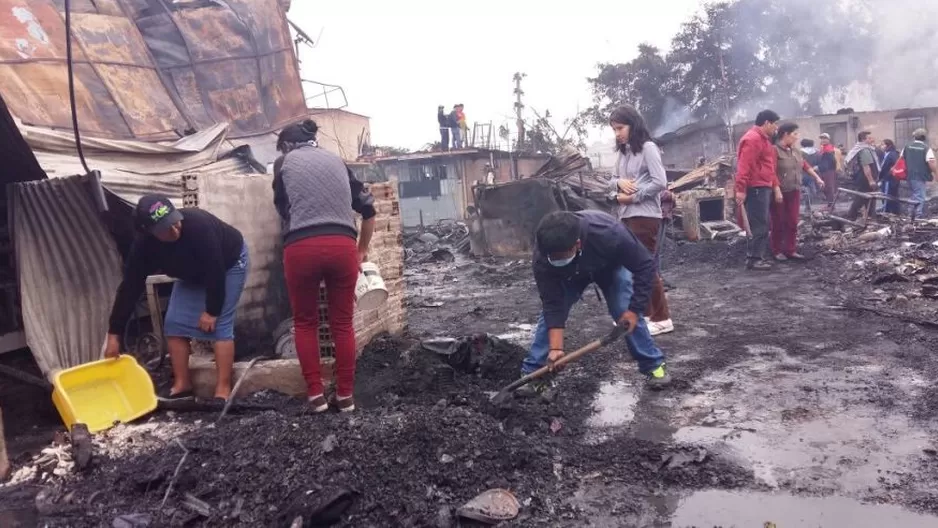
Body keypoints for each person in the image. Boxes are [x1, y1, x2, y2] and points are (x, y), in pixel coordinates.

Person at [273, 119, 376, 413]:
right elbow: (368, 210)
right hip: (343, 245)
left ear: (288, 145)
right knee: (342, 324)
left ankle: (316, 396)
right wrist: (362, 251)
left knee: (306, 323)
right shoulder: (338, 162)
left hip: (302, 247)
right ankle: (345, 397)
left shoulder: (284, 164)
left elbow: (282, 208)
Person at [104, 195, 249, 401]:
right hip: (190, 273)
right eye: (165, 228)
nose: (174, 229)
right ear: (149, 233)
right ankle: (182, 385)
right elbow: (130, 287)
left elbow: (215, 270)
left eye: (174, 221)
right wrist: (114, 333)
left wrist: (211, 310)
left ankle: (223, 389)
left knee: (220, 324)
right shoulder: (143, 248)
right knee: (173, 324)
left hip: (228, 264)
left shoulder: (199, 226)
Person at [522, 210, 670, 389]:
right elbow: (552, 303)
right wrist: (556, 348)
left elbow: (645, 266)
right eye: (553, 258)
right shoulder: (543, 256)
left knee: (624, 310)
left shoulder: (610, 233)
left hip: (609, 267)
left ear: (577, 244)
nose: (555, 260)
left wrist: (634, 311)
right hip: (569, 275)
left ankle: (653, 366)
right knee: (549, 316)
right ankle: (533, 374)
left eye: (560, 257)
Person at [607, 105, 672, 336]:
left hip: (645, 216)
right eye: (614, 129)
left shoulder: (648, 148)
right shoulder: (623, 152)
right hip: (626, 216)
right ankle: (643, 314)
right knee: (633, 267)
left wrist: (633, 196)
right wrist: (618, 185)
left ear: (633, 125)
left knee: (646, 267)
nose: (617, 133)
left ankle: (662, 318)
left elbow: (660, 182)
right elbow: (612, 179)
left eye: (620, 128)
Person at [735, 109, 781, 270]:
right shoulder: (752, 139)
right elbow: (744, 166)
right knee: (759, 224)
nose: (777, 128)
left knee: (762, 222)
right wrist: (740, 189)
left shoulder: (764, 140)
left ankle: (757, 256)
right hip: (756, 188)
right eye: (775, 124)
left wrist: (774, 186)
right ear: (767, 123)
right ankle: (754, 259)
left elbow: (769, 166)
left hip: (763, 186)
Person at [772, 123, 824, 261]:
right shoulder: (774, 150)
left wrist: (817, 178)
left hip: (794, 190)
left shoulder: (796, 151)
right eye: (794, 134)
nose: (797, 137)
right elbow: (770, 172)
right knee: (778, 221)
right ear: (785, 134)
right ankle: (777, 250)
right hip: (780, 192)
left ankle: (790, 250)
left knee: (793, 221)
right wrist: (776, 190)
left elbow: (805, 165)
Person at [845, 131, 880, 221]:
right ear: (864, 139)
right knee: (861, 198)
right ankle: (850, 217)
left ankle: (870, 217)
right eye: (869, 138)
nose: (872, 139)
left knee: (869, 198)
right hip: (865, 179)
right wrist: (871, 180)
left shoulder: (864, 148)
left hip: (862, 178)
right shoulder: (864, 150)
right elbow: (866, 166)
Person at [901, 129, 936, 218]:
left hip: (908, 175)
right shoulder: (926, 148)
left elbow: (901, 158)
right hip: (920, 176)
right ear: (924, 138)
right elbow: (931, 163)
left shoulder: (906, 146)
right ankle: (917, 216)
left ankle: (910, 214)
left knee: (915, 194)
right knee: (920, 196)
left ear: (914, 137)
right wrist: (936, 174)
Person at [878, 139, 900, 214]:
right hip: (886, 178)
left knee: (887, 196)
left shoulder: (893, 154)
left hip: (890, 179)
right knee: (889, 196)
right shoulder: (886, 154)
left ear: (888, 146)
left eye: (883, 144)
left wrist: (889, 173)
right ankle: (893, 212)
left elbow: (896, 164)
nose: (881, 146)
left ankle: (887, 212)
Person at [817, 133, 838, 211]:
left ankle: (831, 205)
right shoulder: (823, 149)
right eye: (822, 138)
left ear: (828, 140)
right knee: (825, 187)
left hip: (829, 171)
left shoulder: (829, 149)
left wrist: (819, 167)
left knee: (829, 187)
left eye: (825, 138)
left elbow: (830, 162)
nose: (823, 140)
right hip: (825, 171)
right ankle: (830, 204)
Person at [800, 138, 820, 203]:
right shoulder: (817, 152)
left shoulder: (800, 152)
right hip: (813, 172)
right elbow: (819, 162)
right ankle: (811, 202)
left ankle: (806, 202)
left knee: (803, 188)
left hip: (802, 172)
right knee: (812, 187)